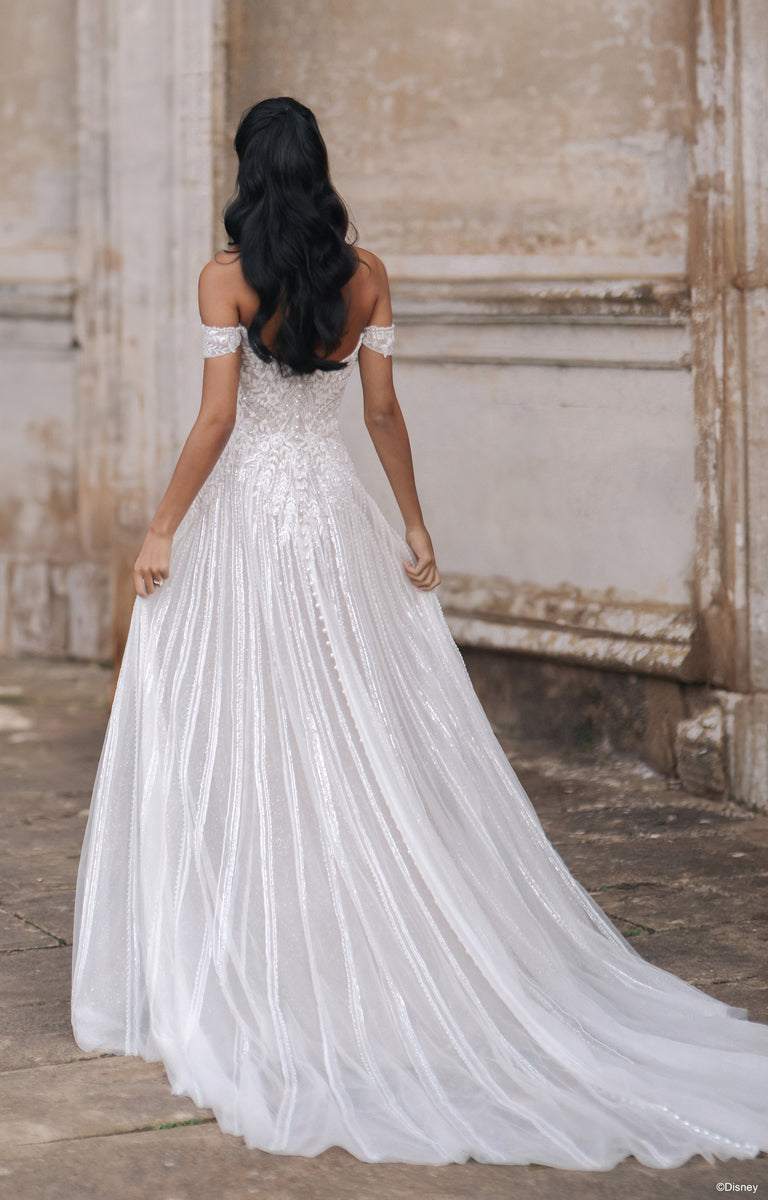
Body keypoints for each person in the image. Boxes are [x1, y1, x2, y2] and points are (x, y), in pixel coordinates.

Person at [71, 97, 768, 1170]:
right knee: (356, 717)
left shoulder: (224, 278)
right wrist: (409, 516)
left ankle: (256, 945)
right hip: (332, 512)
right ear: (322, 171)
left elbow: (216, 420)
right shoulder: (367, 275)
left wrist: (163, 527)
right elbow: (382, 413)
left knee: (239, 715)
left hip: (252, 519)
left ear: (249, 170)